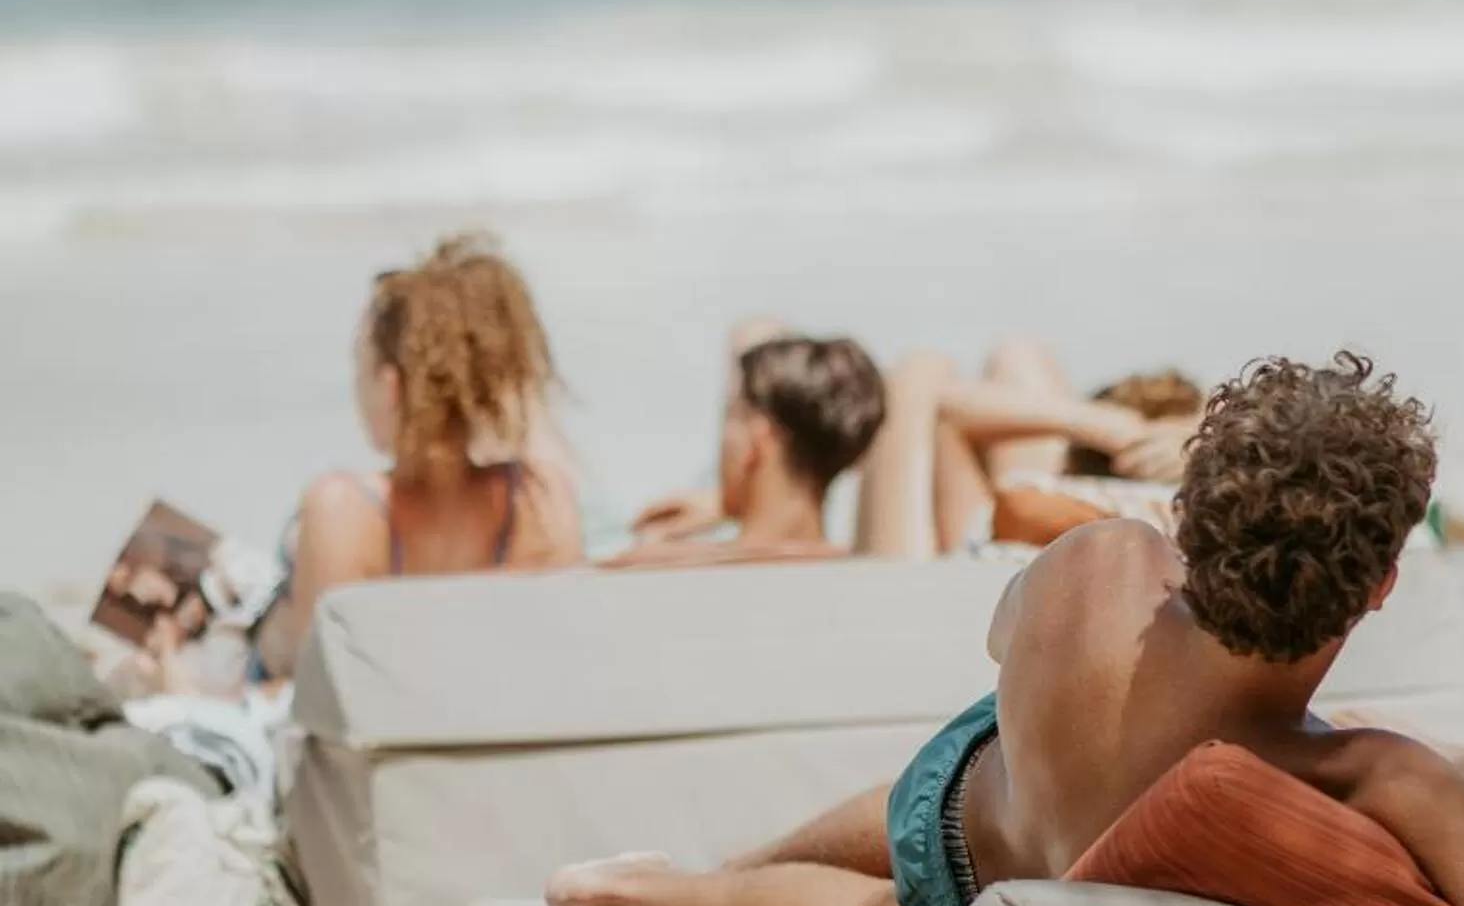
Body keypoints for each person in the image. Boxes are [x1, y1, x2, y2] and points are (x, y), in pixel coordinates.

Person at [547, 352, 1464, 906]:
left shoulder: (1101, 561)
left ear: (1200, 507)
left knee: (972, 769)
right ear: (1384, 582)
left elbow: (1000, 640)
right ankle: (659, 893)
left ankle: (685, 882)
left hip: (965, 804)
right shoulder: (1357, 775)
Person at [250, 234, 582, 681]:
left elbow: (320, 699)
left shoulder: (344, 509)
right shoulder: (546, 501)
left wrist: (181, 688)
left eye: (359, 370)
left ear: (391, 388)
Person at [855, 338, 1204, 558]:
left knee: (919, 371)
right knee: (1017, 355)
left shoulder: (1034, 498)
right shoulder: (1209, 502)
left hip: (986, 559)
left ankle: (1088, 423)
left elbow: (940, 405)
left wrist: (1110, 427)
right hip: (1032, 538)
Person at [613, 323, 889, 567]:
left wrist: (653, 538)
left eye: (730, 417)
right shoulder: (860, 564)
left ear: (757, 438)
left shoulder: (656, 565)